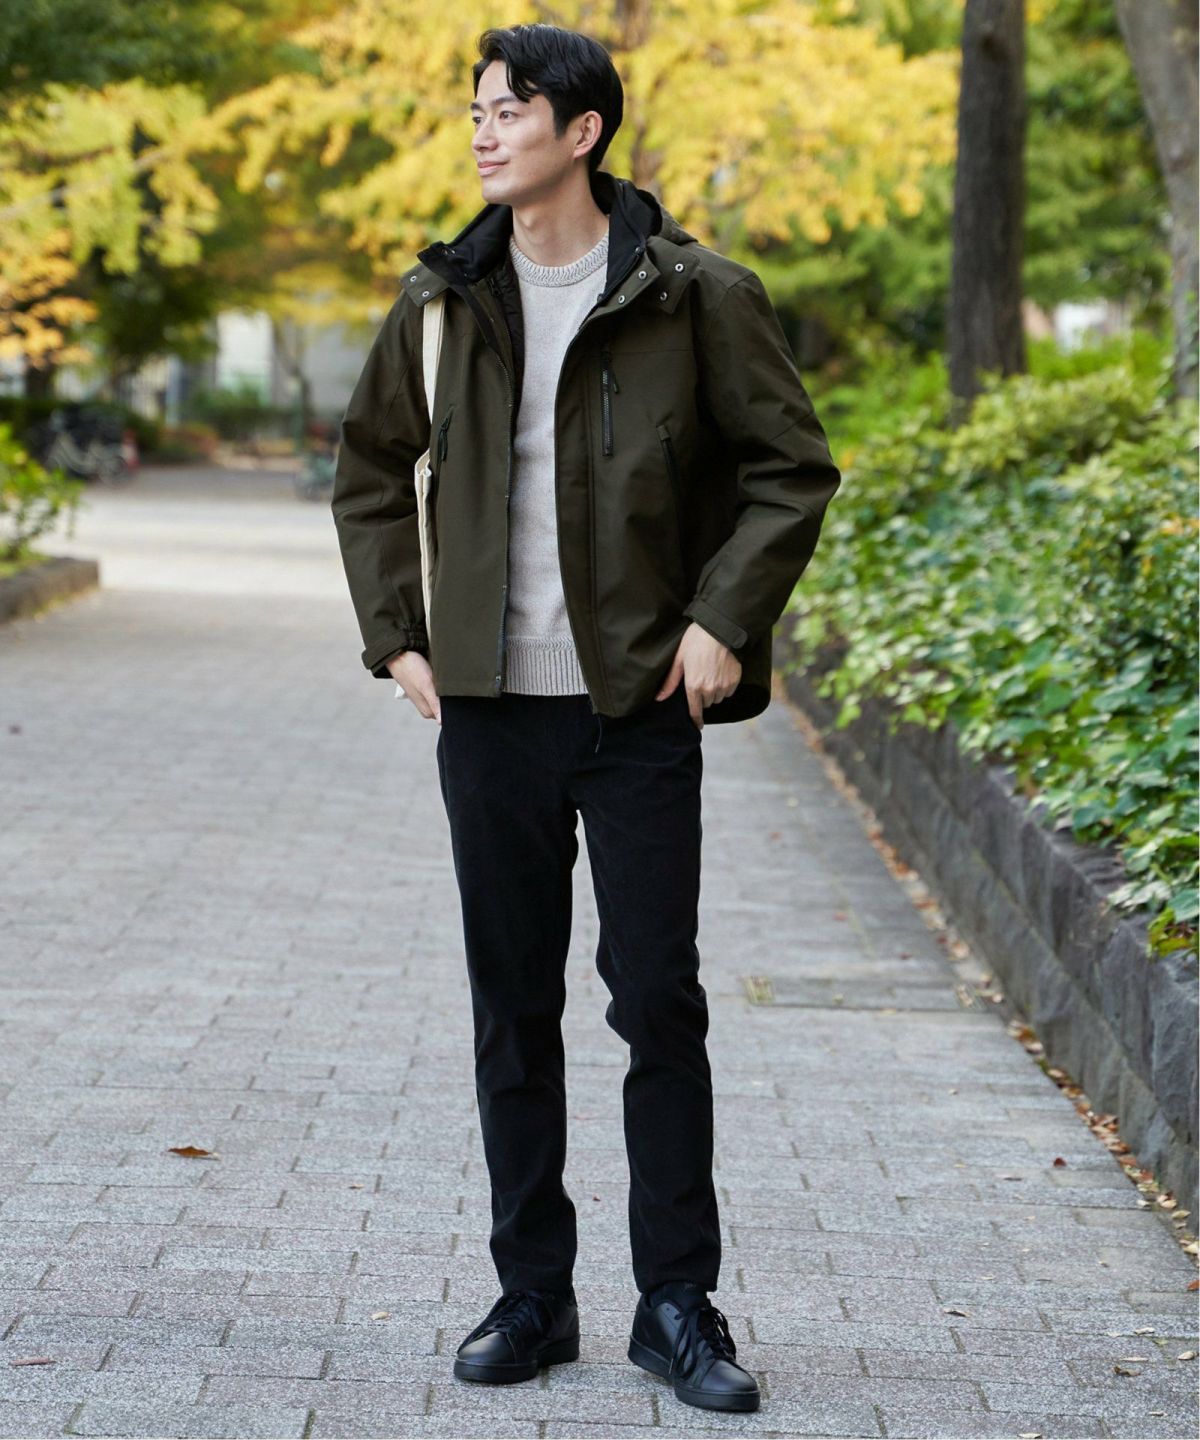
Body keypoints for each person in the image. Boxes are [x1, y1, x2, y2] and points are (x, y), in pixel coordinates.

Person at [330, 21, 841, 1417]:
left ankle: (674, 1302)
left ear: (583, 131)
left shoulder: (695, 294)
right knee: (513, 1005)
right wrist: (398, 637)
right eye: (476, 112)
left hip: (637, 707)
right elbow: (370, 469)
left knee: (656, 998)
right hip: (491, 713)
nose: (484, 132)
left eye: (509, 110)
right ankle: (533, 1294)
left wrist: (722, 620)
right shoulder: (442, 302)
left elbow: (791, 470)